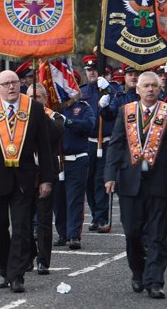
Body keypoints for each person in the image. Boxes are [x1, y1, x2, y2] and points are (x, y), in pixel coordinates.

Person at [0, 70, 55, 293]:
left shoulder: (33, 108)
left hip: (24, 178)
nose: (11, 87)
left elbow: (44, 147)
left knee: (22, 228)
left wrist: (46, 179)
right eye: (6, 84)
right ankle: (3, 268)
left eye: (14, 82)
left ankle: (16, 275)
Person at [105, 71, 167, 299]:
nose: (150, 89)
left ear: (160, 88)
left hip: (160, 182)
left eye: (154, 86)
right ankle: (138, 271)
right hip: (130, 183)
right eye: (146, 86)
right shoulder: (126, 111)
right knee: (132, 233)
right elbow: (115, 144)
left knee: (157, 234)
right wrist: (109, 175)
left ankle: (155, 281)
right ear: (138, 90)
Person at [27, 84, 63, 274]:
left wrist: (39, 113)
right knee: (23, 219)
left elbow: (55, 133)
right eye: (30, 97)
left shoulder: (53, 116)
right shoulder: (20, 116)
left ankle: (43, 260)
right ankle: (28, 254)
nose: (34, 100)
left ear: (45, 99)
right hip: (25, 173)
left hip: (45, 174)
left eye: (38, 97)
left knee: (43, 219)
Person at [54, 85, 95, 250]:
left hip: (76, 159)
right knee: (58, 200)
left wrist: (68, 121)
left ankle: (73, 235)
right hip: (57, 160)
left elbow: (88, 125)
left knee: (74, 200)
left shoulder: (83, 108)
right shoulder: (54, 109)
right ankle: (62, 233)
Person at [81, 54, 118, 233]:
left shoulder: (111, 89)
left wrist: (108, 92)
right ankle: (96, 213)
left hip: (106, 141)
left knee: (101, 180)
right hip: (88, 141)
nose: (92, 73)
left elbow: (113, 112)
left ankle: (101, 217)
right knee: (88, 180)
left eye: (95, 69)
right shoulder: (81, 92)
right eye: (89, 70)